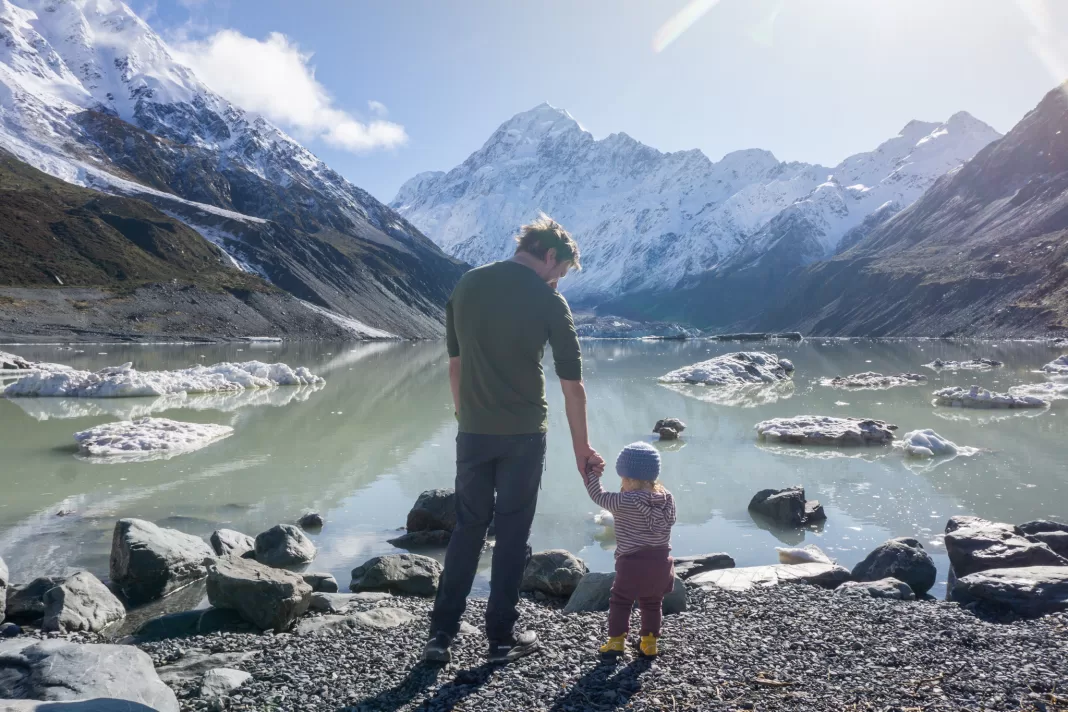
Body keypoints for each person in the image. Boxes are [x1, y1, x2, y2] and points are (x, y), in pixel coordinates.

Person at [423, 215, 606, 665]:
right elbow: (572, 385)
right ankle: (501, 638)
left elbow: (455, 366)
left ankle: (440, 636)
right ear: (549, 256)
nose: (557, 281)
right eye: (559, 272)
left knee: (467, 528)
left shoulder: (466, 285)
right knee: (511, 534)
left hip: (473, 431)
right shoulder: (548, 302)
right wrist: (583, 449)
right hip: (524, 435)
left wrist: (466, 417)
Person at [582, 441, 676, 658]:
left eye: (623, 478)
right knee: (653, 602)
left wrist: (590, 474)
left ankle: (616, 641)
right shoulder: (668, 499)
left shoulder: (624, 501)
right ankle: (649, 643)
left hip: (631, 562)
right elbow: (671, 520)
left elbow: (598, 496)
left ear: (631, 479)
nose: (622, 483)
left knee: (621, 600)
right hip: (661, 562)